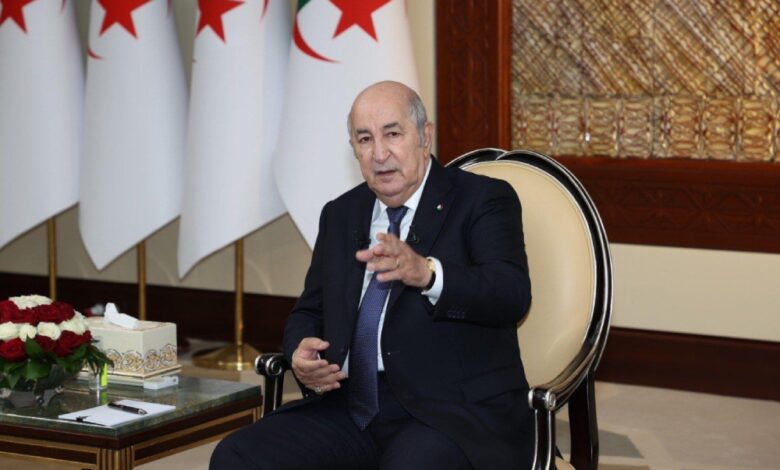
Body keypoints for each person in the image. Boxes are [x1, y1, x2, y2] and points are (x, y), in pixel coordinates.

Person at [210, 81, 533, 469]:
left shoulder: (482, 199)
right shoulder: (341, 213)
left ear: (424, 137)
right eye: (365, 139)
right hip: (351, 404)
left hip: (449, 411)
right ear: (354, 150)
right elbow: (309, 310)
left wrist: (428, 274)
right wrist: (299, 352)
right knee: (237, 455)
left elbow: (511, 294)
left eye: (393, 134)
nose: (380, 154)